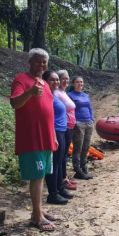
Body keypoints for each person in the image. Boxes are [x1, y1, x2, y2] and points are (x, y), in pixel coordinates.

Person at [10, 48, 57, 231]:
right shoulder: (21, 80)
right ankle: (37, 217)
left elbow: (49, 111)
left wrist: (53, 134)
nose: (42, 65)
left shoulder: (44, 84)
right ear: (30, 62)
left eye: (44, 62)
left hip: (46, 138)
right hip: (31, 138)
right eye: (38, 61)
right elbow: (14, 103)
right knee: (37, 177)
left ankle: (39, 211)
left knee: (42, 175)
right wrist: (29, 93)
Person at [43, 71, 74, 205]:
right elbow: (47, 118)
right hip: (55, 131)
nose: (56, 82)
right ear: (45, 81)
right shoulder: (46, 96)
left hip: (62, 130)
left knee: (60, 161)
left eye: (57, 80)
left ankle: (60, 189)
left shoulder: (53, 95)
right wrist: (53, 134)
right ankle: (53, 194)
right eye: (52, 80)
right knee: (54, 164)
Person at [68, 76, 94, 180]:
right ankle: (78, 170)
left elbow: (89, 108)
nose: (80, 84)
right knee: (78, 147)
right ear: (73, 84)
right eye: (77, 82)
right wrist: (75, 122)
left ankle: (84, 167)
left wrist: (92, 119)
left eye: (81, 82)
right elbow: (69, 110)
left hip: (88, 123)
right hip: (78, 124)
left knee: (86, 147)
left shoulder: (86, 95)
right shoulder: (70, 95)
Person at [55, 70, 77, 190]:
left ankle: (64, 178)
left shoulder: (64, 92)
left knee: (64, 155)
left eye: (67, 78)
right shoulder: (57, 93)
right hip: (63, 127)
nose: (65, 81)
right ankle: (62, 180)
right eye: (63, 78)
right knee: (62, 156)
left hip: (68, 127)